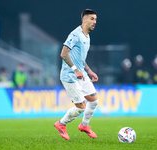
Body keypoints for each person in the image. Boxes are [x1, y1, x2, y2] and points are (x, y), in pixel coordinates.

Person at [54, 9, 98, 140]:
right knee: (80, 108)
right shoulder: (75, 34)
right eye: (91, 19)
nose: (94, 22)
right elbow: (63, 54)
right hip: (70, 76)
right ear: (84, 20)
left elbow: (80, 57)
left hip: (81, 74)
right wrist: (75, 69)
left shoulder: (87, 35)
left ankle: (84, 125)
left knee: (94, 101)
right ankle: (61, 124)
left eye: (95, 19)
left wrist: (89, 71)